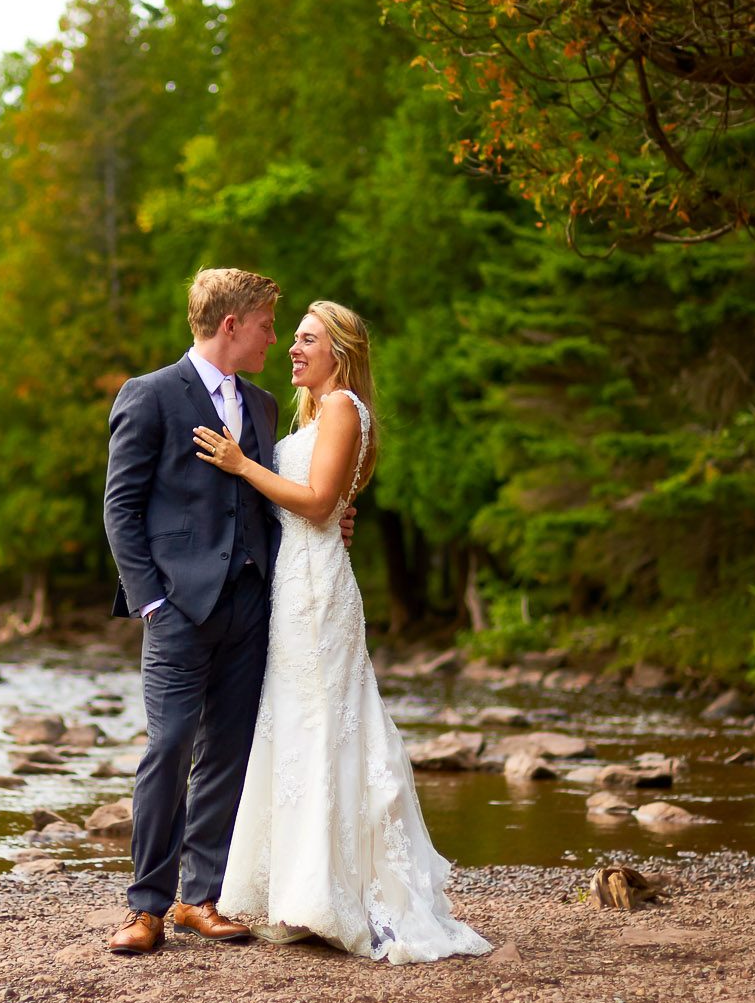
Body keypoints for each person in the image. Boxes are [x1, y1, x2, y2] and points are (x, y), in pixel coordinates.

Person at [193, 301, 489, 965]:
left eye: (306, 339)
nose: (293, 349)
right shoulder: (316, 413)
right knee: (297, 727)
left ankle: (333, 894)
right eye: (292, 337)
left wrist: (242, 465)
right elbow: (315, 503)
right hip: (294, 587)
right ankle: (299, 889)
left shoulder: (344, 408)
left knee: (325, 725)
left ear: (340, 351)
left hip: (319, 593)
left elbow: (320, 503)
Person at [100, 268, 354, 955]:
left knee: (229, 751)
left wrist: (327, 525)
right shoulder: (150, 395)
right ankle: (145, 906)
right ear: (232, 324)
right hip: (177, 608)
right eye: (268, 324)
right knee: (170, 744)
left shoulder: (266, 405)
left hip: (254, 603)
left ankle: (199, 897)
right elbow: (119, 508)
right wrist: (151, 598)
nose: (276, 336)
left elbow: (276, 497)